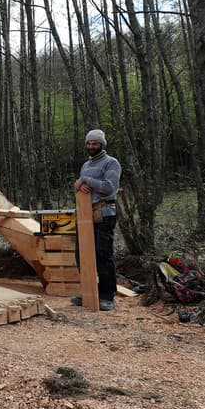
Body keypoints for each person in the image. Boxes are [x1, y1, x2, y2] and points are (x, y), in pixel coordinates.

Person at [71, 129, 121, 311]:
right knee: (81, 255)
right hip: (85, 215)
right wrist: (79, 185)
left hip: (104, 213)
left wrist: (84, 180)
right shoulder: (86, 165)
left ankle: (107, 295)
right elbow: (84, 188)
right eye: (89, 143)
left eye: (95, 143)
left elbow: (109, 187)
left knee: (103, 255)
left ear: (102, 145)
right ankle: (88, 291)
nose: (91, 146)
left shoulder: (111, 163)